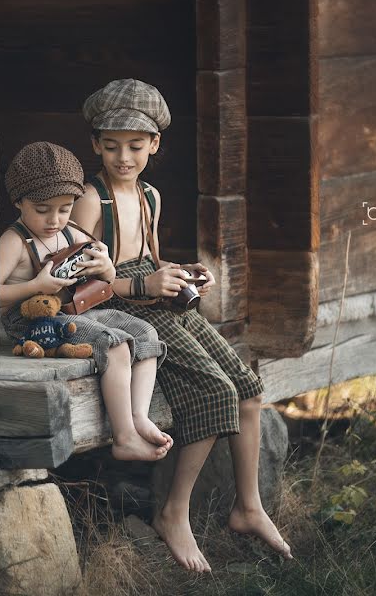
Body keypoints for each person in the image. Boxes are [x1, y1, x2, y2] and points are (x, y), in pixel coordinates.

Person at [71, 79, 293, 573]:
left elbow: (146, 259)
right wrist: (148, 285)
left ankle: (248, 506)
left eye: (134, 146)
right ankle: (174, 513)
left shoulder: (149, 194)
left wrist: (183, 271)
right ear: (94, 145)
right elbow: (83, 289)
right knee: (215, 390)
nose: (123, 157)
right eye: (110, 146)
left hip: (156, 296)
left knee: (249, 389)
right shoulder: (92, 201)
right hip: (125, 309)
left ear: (154, 145)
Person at [0, 141, 173, 462]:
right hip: (32, 324)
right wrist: (36, 285)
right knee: (115, 343)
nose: (54, 220)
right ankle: (123, 437)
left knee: (146, 332)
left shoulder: (70, 231)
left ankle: (138, 416)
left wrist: (105, 263)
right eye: (42, 210)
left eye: (64, 209)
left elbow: (106, 273)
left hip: (74, 310)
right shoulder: (14, 241)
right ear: (18, 202)